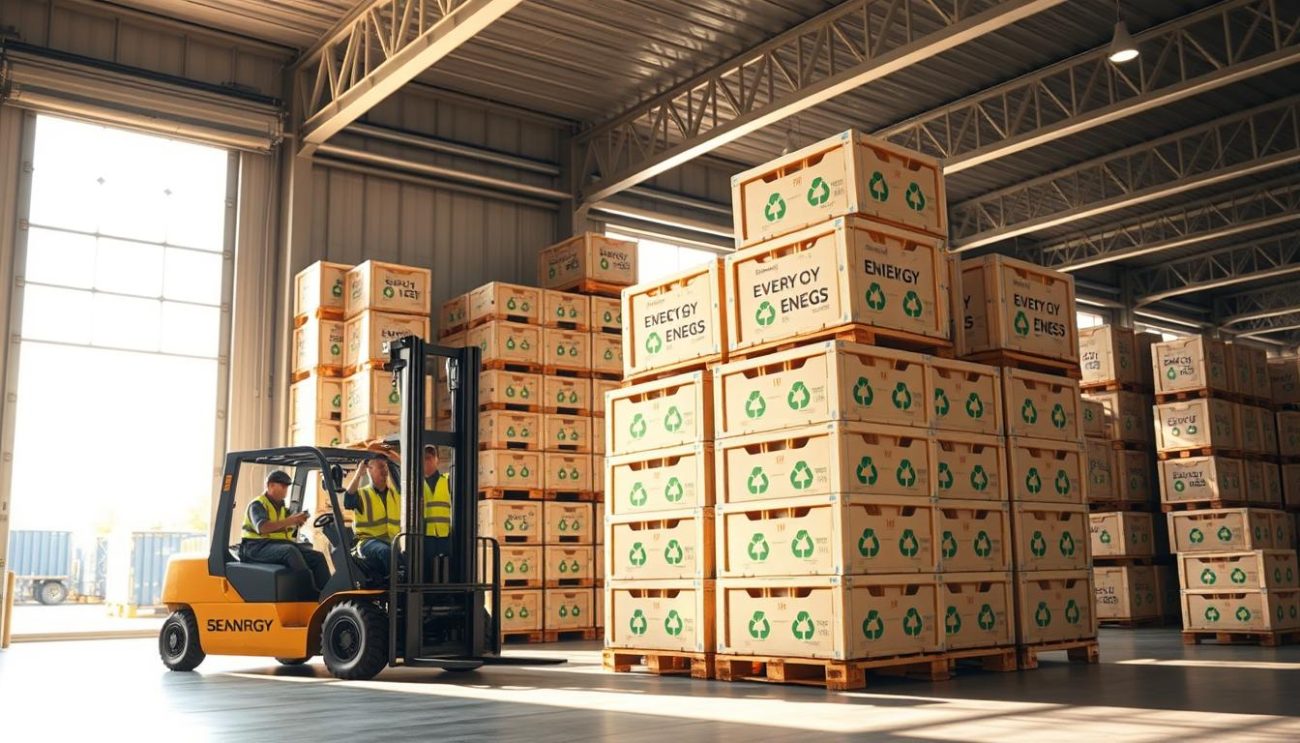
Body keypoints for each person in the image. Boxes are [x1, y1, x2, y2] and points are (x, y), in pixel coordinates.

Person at [239, 470, 330, 591]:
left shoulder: (281, 508)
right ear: (271, 485)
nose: (286, 490)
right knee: (289, 551)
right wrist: (291, 520)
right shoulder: (258, 505)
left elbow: (281, 528)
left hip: (275, 544)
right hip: (255, 547)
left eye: (287, 487)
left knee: (317, 557)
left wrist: (297, 522)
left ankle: (327, 593)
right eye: (283, 486)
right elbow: (262, 528)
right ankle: (308, 591)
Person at [344, 455, 400, 573]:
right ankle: (396, 581)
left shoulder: (395, 494)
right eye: (380, 467)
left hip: (392, 540)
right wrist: (358, 474)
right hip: (367, 541)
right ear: (369, 469)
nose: (385, 471)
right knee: (385, 551)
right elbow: (348, 500)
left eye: (385, 467)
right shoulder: (362, 494)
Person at [422, 445, 453, 577]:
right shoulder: (417, 483)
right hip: (425, 534)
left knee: (446, 569)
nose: (426, 461)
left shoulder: (447, 480)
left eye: (429, 458)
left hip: (445, 534)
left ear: (437, 460)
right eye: (423, 458)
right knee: (427, 570)